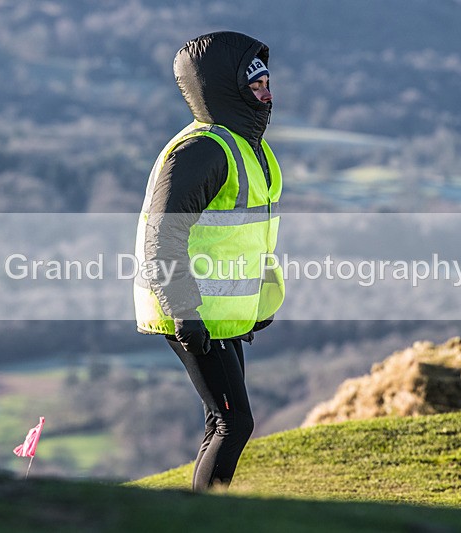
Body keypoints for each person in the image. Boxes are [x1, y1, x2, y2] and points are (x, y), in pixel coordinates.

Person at [133, 31, 284, 491]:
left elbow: (244, 239)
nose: (267, 94)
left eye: (267, 84)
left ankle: (196, 512)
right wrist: (184, 310)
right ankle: (203, 518)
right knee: (233, 423)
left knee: (221, 422)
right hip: (190, 310)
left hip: (217, 314)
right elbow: (163, 235)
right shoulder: (203, 150)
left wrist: (254, 308)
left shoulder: (246, 147)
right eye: (254, 86)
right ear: (226, 88)